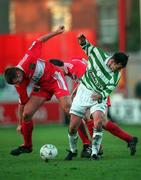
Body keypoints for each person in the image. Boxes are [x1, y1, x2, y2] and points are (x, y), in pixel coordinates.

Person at [64, 34, 138, 160]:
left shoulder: (116, 74)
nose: (118, 70)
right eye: (118, 67)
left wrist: (100, 95)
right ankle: (129, 139)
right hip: (85, 93)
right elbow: (86, 46)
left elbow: (109, 89)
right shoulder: (97, 55)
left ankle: (93, 149)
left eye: (120, 69)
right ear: (113, 61)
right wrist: (82, 40)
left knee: (98, 122)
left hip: (100, 95)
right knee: (91, 123)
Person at [49, 58, 138, 158]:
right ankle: (129, 139)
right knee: (102, 122)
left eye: (56, 72)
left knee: (89, 118)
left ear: (58, 67)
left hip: (98, 93)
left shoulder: (75, 66)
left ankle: (95, 148)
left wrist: (74, 93)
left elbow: (89, 82)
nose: (57, 75)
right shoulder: (70, 68)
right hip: (93, 94)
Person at [4, 26, 72, 156]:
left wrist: (56, 32)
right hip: (42, 86)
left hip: (54, 76)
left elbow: (39, 41)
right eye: (15, 83)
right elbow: (22, 104)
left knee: (69, 109)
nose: (18, 83)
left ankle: (86, 144)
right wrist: (20, 124)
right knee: (26, 115)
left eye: (17, 80)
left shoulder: (28, 58)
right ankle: (27, 146)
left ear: (18, 72)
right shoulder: (19, 84)